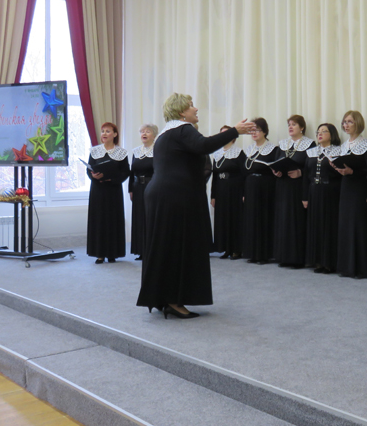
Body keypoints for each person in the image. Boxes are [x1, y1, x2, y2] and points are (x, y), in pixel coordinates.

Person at [136, 93, 254, 319]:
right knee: (178, 248)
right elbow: (205, 145)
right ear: (181, 112)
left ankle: (164, 297)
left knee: (165, 246)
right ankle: (174, 300)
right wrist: (235, 131)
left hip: (162, 195)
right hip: (174, 196)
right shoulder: (183, 129)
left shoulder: (165, 134)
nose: (196, 109)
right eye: (191, 106)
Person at [335, 111, 367, 279]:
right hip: (346, 187)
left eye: (350, 121)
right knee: (346, 225)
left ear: (358, 123)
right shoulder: (344, 145)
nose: (346, 125)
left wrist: (353, 171)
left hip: (359, 188)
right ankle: (347, 267)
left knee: (359, 225)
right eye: (344, 122)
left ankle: (362, 268)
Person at [273, 115, 314, 268]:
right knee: (283, 220)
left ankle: (297, 258)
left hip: (298, 187)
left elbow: (312, 166)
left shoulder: (309, 144)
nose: (290, 127)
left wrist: (300, 172)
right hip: (283, 186)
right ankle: (283, 256)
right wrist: (276, 171)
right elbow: (276, 162)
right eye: (289, 124)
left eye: (294, 124)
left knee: (295, 220)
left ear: (302, 127)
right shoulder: (283, 144)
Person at [87, 122, 129, 264]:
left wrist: (112, 179)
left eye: (108, 131)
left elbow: (125, 172)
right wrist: (93, 176)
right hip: (98, 190)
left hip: (113, 190)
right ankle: (99, 254)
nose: (104, 134)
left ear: (115, 134)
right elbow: (89, 169)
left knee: (112, 220)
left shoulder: (121, 153)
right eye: (103, 131)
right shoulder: (95, 151)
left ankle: (112, 253)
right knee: (99, 220)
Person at [303, 123, 342, 274]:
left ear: (332, 134)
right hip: (314, 192)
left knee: (329, 225)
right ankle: (318, 261)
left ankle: (329, 262)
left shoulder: (338, 151)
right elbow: (306, 176)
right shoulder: (311, 152)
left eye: (324, 131)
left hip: (331, 191)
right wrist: (305, 197)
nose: (320, 134)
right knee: (316, 225)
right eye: (318, 132)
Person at [241, 118, 279, 264]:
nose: (254, 133)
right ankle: (252, 253)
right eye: (252, 130)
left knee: (263, 219)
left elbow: (275, 171)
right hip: (250, 187)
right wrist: (244, 193)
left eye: (257, 130)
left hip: (265, 188)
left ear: (264, 131)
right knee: (251, 219)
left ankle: (264, 254)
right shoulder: (249, 150)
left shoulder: (273, 149)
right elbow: (244, 173)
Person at [210, 125, 245, 259]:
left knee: (234, 219)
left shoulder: (239, 153)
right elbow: (214, 177)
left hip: (234, 190)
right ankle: (226, 248)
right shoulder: (217, 154)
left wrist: (244, 193)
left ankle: (236, 249)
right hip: (221, 190)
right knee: (223, 219)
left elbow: (244, 174)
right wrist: (213, 196)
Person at [129, 124, 157, 261]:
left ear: (154, 135)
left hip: (151, 187)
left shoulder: (158, 151)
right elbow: (132, 172)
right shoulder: (136, 151)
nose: (144, 134)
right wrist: (130, 189)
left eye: (148, 131)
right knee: (139, 218)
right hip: (137, 188)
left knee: (150, 218)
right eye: (142, 132)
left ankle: (152, 250)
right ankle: (141, 250)